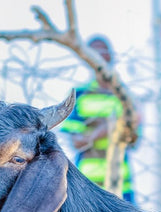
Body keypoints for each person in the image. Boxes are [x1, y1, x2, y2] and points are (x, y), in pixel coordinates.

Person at [59, 34, 138, 202]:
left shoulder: (124, 97)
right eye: (94, 54)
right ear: (87, 59)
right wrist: (105, 130)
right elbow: (76, 142)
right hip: (89, 183)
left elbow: (133, 140)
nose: (99, 58)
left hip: (122, 182)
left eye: (103, 53)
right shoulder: (80, 95)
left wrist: (130, 126)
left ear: (111, 56)